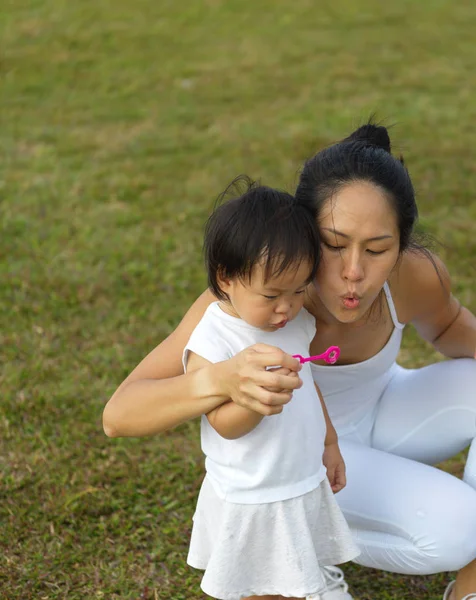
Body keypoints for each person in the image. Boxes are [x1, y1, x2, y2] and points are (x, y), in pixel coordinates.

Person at [103, 123, 476, 600]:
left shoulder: (415, 276)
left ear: (401, 247)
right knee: (459, 528)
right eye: (334, 245)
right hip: (298, 462)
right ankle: (294, 553)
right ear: (301, 232)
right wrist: (219, 380)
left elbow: (448, 328)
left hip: (374, 423)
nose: (354, 273)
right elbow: (119, 415)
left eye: (378, 249)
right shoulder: (242, 305)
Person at [181, 178, 359, 599]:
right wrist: (258, 401)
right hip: (253, 490)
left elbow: (310, 387)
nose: (287, 307)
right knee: (260, 582)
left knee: (295, 560)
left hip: (296, 474)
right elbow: (223, 424)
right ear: (226, 277)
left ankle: (308, 586)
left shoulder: (296, 324)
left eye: (299, 290)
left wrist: (329, 443)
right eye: (271, 294)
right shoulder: (213, 339)